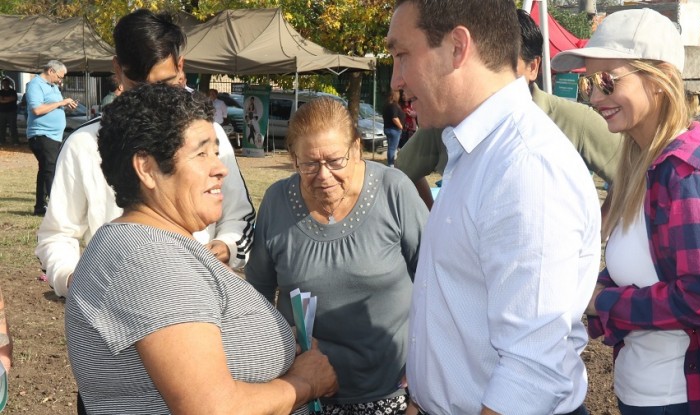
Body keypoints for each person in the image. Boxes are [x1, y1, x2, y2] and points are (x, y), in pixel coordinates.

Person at [65, 83, 338, 415]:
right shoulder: (149, 261)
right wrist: (305, 384)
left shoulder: (151, 246)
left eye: (216, 151)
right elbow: (211, 409)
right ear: (147, 169)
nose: (221, 167)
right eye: (202, 152)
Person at [387, 1, 601, 414]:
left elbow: (533, 370)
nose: (397, 79)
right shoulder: (480, 150)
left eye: (402, 55)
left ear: (457, 47)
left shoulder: (524, 166)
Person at [552, 8, 700, 414]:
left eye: (606, 81)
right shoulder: (641, 167)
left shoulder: (685, 173)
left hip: (679, 398)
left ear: (658, 82)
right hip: (643, 390)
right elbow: (640, 266)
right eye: (588, 84)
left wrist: (604, 303)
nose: (596, 97)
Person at [36, 9, 256, 300]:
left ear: (180, 67)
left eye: (163, 85)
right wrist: (72, 277)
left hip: (197, 297)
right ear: (118, 70)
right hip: (115, 306)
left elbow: (241, 217)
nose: (150, 100)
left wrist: (224, 247)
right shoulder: (84, 144)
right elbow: (57, 234)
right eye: (137, 87)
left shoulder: (209, 135)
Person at [246, 98, 428, 414]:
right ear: (293, 158)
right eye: (309, 164)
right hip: (305, 396)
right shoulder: (277, 202)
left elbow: (436, 281)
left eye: (335, 161)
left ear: (356, 149)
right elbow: (257, 295)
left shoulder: (393, 190)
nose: (324, 176)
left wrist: (425, 369)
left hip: (393, 394)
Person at [396, 9, 621, 210]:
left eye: (506, 66)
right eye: (487, 63)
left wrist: (602, 226)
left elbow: (633, 176)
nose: (494, 76)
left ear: (533, 67)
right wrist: (432, 216)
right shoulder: (447, 123)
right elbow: (401, 172)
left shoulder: (574, 121)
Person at [26, 60, 78, 216]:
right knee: (51, 169)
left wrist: (65, 106)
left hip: (54, 136)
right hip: (41, 134)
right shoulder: (35, 85)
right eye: (59, 77)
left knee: (45, 169)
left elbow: (52, 106)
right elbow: (36, 109)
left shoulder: (53, 86)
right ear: (50, 71)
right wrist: (61, 102)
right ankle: (56, 209)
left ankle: (40, 207)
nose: (60, 80)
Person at [382, 89, 404, 167]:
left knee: (391, 147)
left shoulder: (386, 105)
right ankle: (391, 164)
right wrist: (401, 126)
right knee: (392, 148)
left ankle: (391, 163)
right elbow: (394, 118)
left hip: (388, 128)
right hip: (394, 129)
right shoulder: (393, 105)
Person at [0, 78, 19, 145]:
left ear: (9, 84)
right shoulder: (1, 91)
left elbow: (13, 98)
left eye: (6, 83)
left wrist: (3, 99)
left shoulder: (13, 91)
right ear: (2, 84)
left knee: (13, 127)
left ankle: (15, 141)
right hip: (2, 112)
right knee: (1, 127)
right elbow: (1, 100)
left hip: (12, 111)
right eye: (4, 83)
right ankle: (2, 141)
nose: (5, 85)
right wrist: (8, 99)